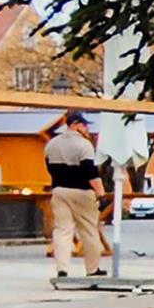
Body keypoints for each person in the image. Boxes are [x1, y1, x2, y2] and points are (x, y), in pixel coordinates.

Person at [42, 117, 112, 278]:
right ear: (75, 125)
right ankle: (93, 268)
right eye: (84, 125)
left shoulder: (51, 144)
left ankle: (62, 268)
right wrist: (101, 193)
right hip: (82, 191)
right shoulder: (84, 145)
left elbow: (49, 167)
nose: (87, 129)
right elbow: (91, 173)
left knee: (62, 230)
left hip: (59, 190)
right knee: (89, 230)